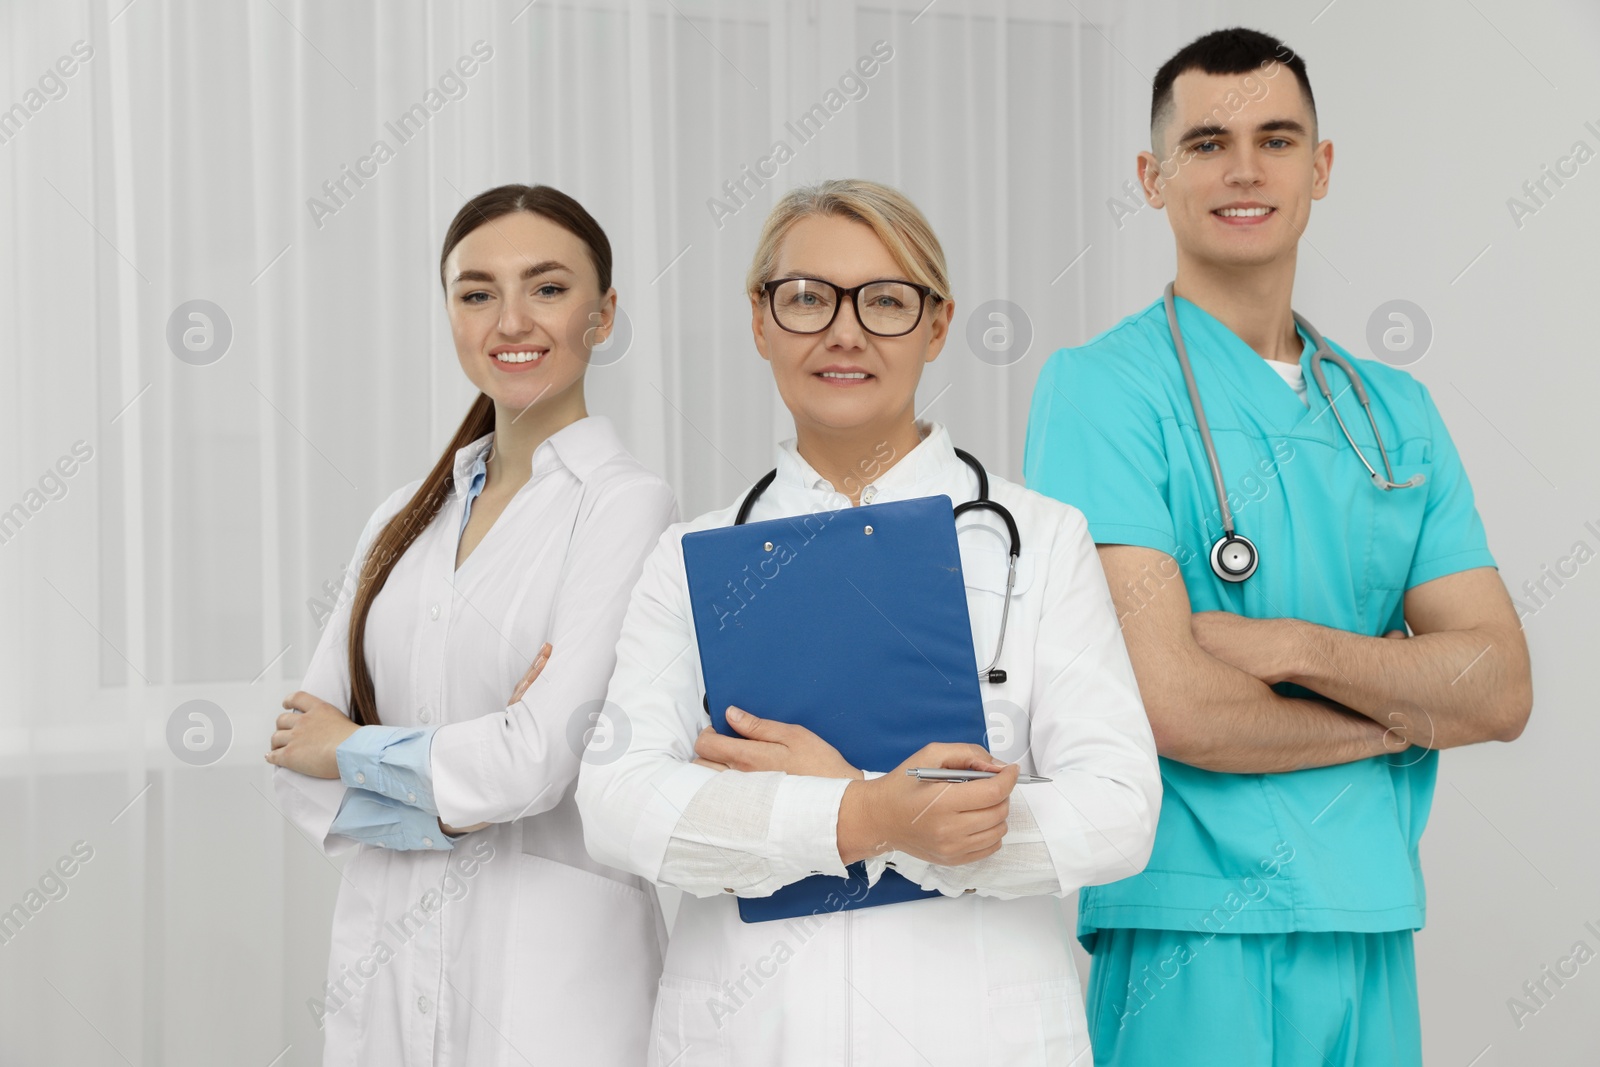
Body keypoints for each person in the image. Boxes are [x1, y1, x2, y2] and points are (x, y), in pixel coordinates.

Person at [1022, 28, 1533, 1067]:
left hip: (1371, 912)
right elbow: (1175, 705)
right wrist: (1405, 718)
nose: (1243, 168)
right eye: (1207, 141)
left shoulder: (1395, 412)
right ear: (1150, 176)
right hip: (1187, 924)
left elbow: (1498, 687)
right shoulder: (1104, 391)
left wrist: (1297, 646)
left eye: (1276, 137)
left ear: (1321, 166)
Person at [576, 178, 1161, 1065]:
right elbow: (618, 806)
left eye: (884, 300)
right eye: (807, 298)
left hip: (972, 1029)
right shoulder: (691, 557)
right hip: (752, 1028)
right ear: (761, 321)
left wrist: (896, 825)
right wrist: (869, 812)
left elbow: (1119, 810)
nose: (843, 331)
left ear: (935, 323)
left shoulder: (1040, 538)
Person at [266, 184, 677, 1066]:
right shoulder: (399, 521)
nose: (511, 319)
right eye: (477, 291)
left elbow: (538, 758)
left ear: (603, 316)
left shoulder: (626, 507)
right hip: (386, 972)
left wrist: (357, 752)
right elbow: (295, 763)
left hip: (553, 989)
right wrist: (455, 782)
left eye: (549, 288)